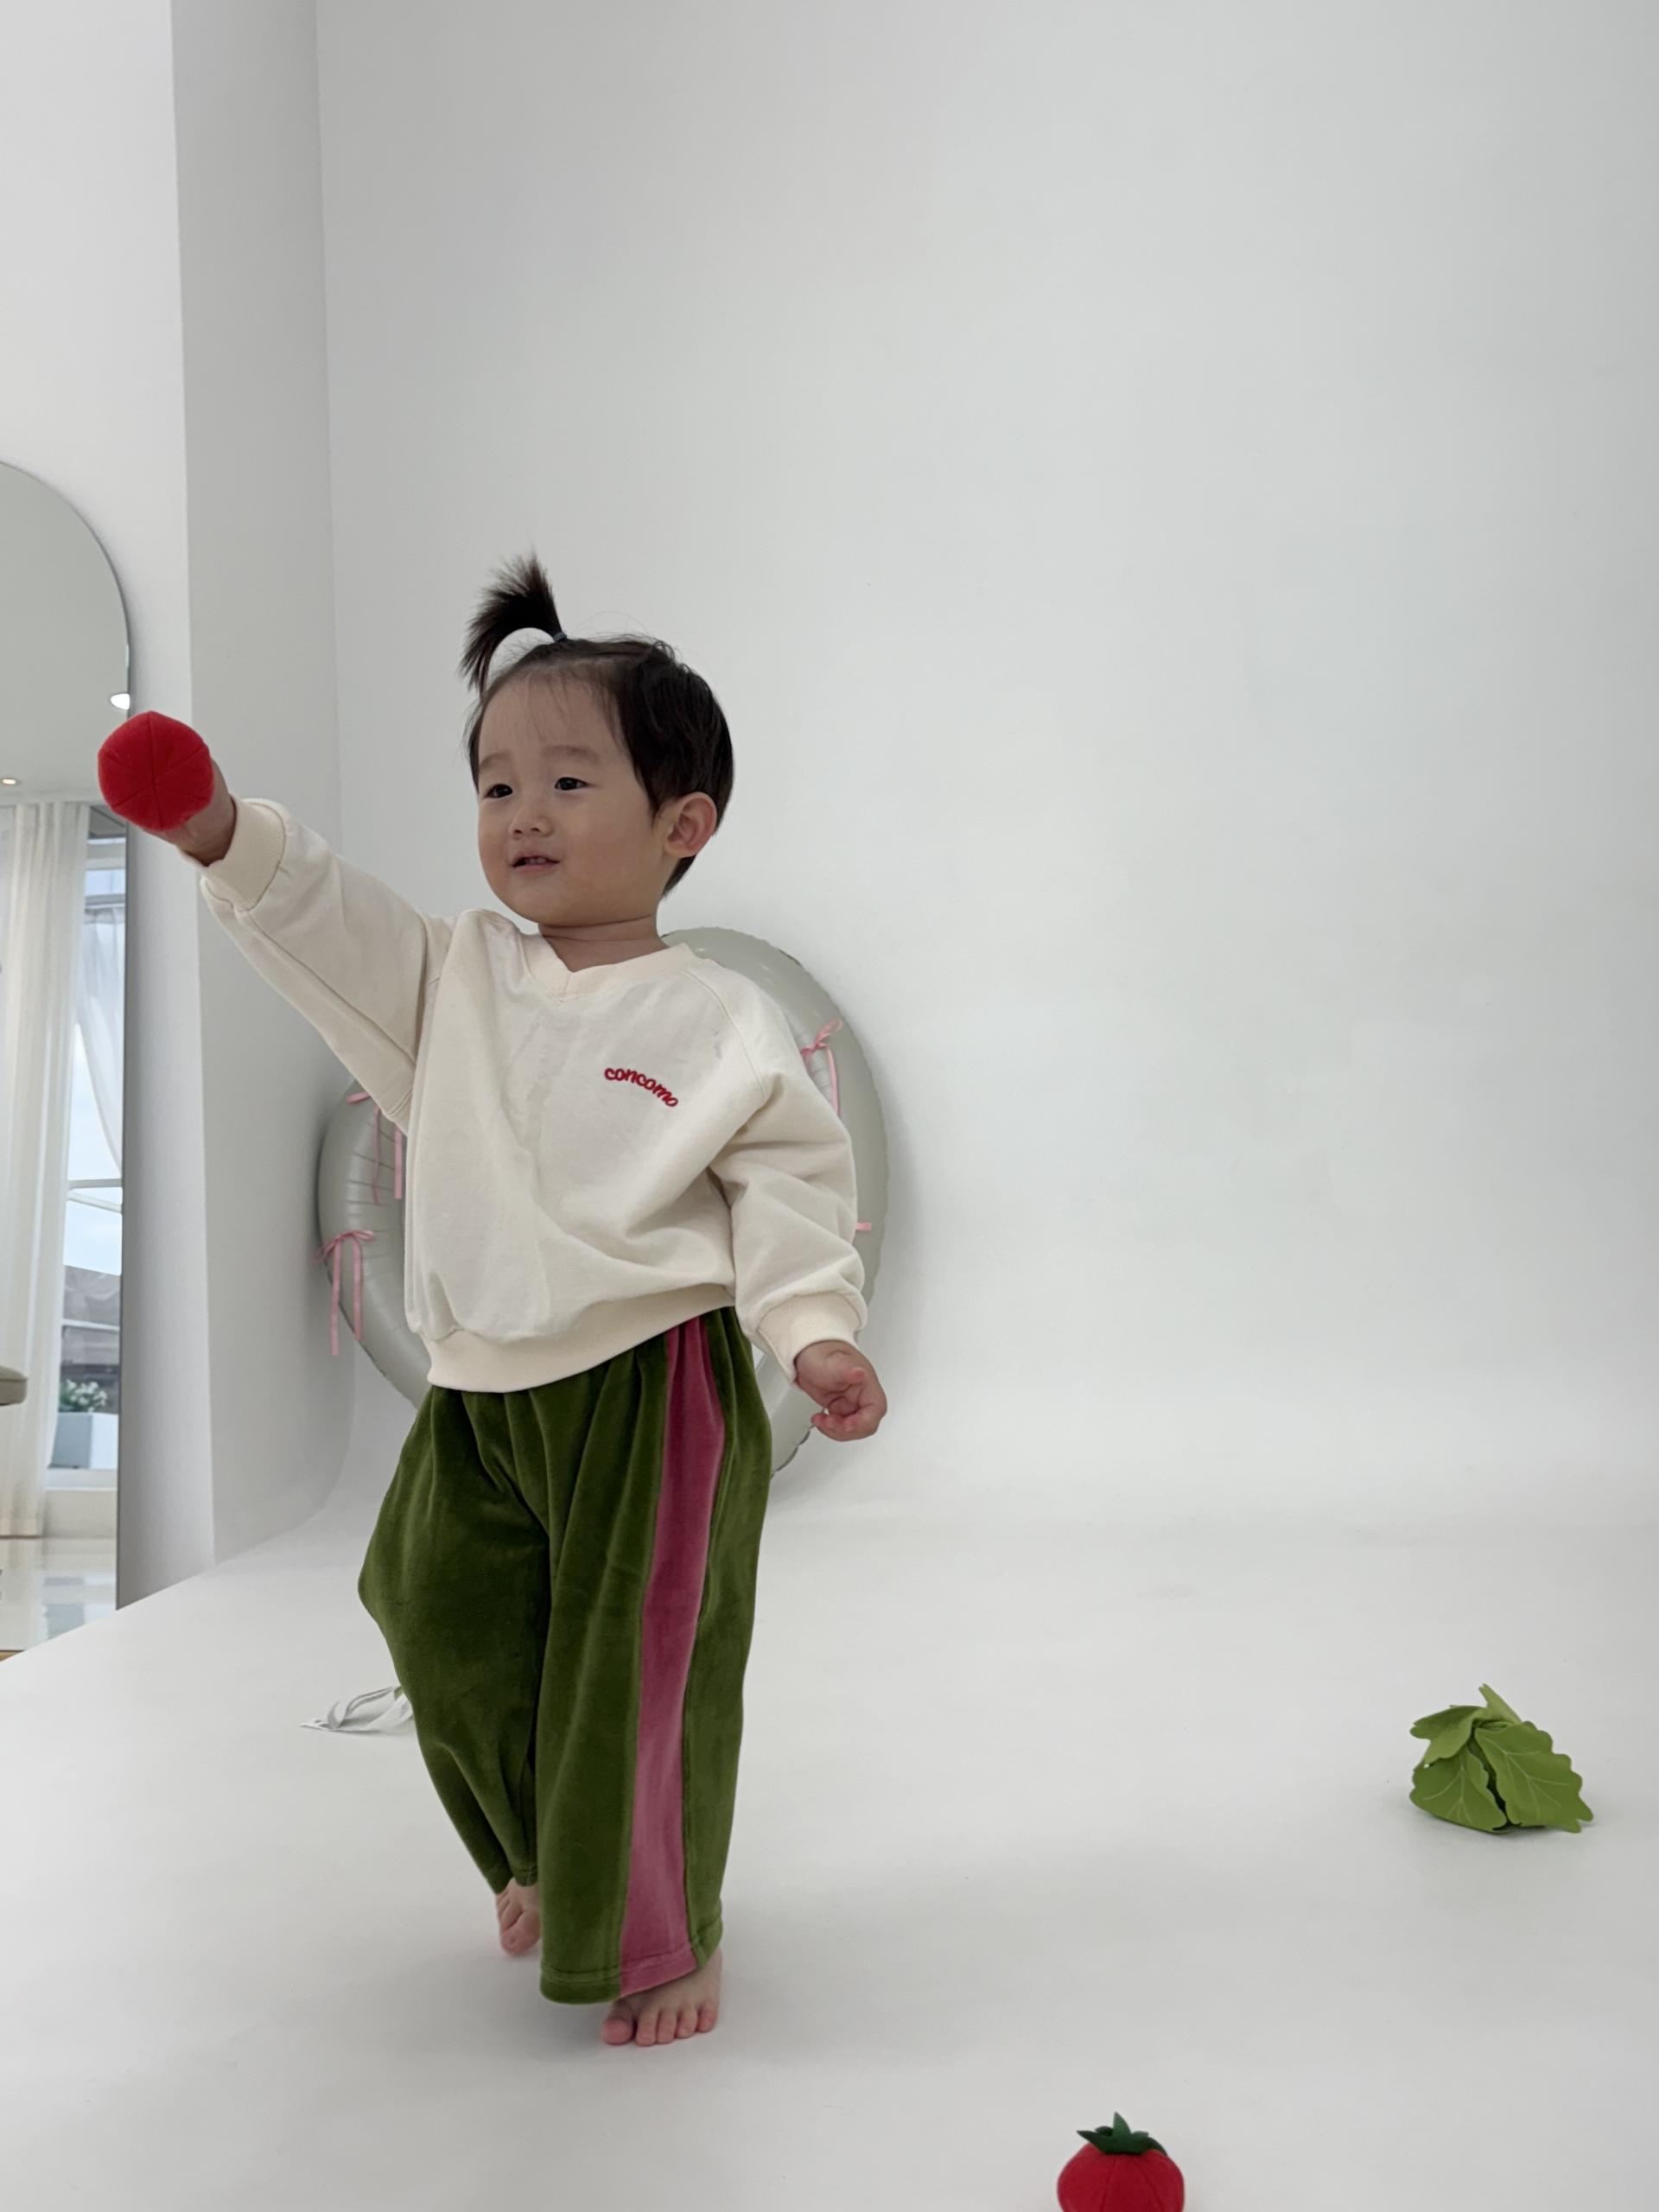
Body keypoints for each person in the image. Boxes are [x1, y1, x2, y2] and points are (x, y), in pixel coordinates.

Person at [119, 551, 888, 2049]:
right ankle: (547, 1848)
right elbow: (326, 919)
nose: (523, 813)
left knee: (637, 1672)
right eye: (495, 786)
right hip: (480, 1388)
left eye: (568, 782)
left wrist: (815, 1334)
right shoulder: (456, 977)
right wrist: (216, 828)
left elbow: (791, 1191)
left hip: (649, 1390)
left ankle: (665, 1934)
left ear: (682, 826)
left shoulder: (722, 1019)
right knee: (430, 1606)